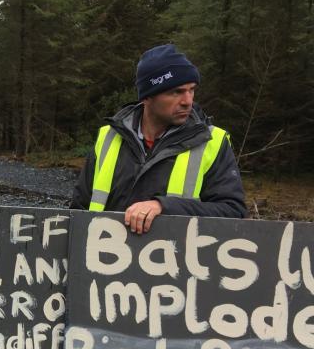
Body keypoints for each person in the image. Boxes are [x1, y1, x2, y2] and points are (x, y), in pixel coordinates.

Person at [71, 44, 247, 234]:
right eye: (176, 92)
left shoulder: (212, 141)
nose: (188, 100)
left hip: (174, 259)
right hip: (106, 257)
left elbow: (232, 213)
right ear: (147, 97)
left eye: (191, 90)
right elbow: (78, 210)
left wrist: (164, 206)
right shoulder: (109, 136)